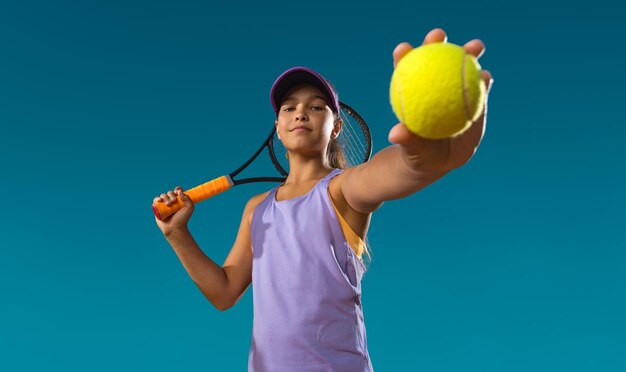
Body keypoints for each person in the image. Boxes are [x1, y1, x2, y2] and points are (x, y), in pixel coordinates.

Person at [153, 28, 494, 372]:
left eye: (316, 106)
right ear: (278, 126)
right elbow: (224, 292)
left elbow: (394, 171)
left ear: (335, 127)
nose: (301, 113)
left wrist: (424, 160)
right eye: (290, 107)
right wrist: (177, 235)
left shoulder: (343, 189)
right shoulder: (257, 208)